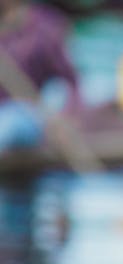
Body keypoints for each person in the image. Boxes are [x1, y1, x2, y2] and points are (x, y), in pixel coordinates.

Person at [0, 0, 83, 152]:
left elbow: (71, 81)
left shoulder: (43, 27)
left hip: (27, 116)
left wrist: (67, 119)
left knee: (9, 123)